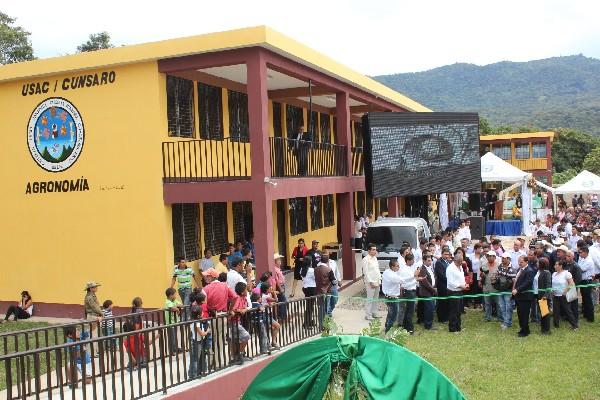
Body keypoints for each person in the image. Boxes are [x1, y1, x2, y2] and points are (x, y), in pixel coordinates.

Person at [512, 255, 536, 337]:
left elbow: (527, 283)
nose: (519, 263)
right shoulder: (520, 269)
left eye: (521, 262)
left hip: (525, 297)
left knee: (524, 314)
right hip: (519, 296)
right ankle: (523, 329)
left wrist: (517, 289)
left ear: (526, 262)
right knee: (520, 314)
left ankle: (525, 331)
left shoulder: (529, 270)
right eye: (519, 261)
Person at [229, 282, 252, 364]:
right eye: (246, 289)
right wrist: (239, 310)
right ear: (242, 292)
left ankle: (236, 356)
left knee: (235, 340)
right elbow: (233, 309)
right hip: (233, 322)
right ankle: (239, 354)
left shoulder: (244, 298)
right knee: (246, 336)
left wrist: (244, 310)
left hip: (237, 322)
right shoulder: (238, 298)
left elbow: (245, 307)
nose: (247, 291)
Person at [552, 261, 578, 330]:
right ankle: (556, 325)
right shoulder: (554, 274)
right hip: (555, 295)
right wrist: (552, 291)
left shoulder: (567, 273)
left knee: (567, 311)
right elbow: (552, 284)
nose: (554, 266)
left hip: (563, 296)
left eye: (556, 264)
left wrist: (565, 291)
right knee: (555, 311)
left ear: (561, 266)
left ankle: (575, 326)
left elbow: (571, 283)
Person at [447, 255, 469, 333]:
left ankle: (458, 327)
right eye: (460, 261)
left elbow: (461, 277)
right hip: (453, 291)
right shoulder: (450, 268)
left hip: (460, 291)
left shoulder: (460, 267)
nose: (461, 262)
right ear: (455, 260)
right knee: (454, 311)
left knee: (459, 310)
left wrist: (465, 284)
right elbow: (450, 282)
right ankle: (452, 329)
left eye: (462, 260)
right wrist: (460, 285)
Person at [188, 303, 211, 379]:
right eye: (202, 312)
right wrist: (207, 331)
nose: (203, 313)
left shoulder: (194, 321)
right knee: (195, 358)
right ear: (198, 315)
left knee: (199, 357)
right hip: (197, 342)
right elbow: (202, 334)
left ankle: (198, 372)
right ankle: (193, 374)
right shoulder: (196, 324)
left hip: (198, 341)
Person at [496, 254, 517, 330]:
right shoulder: (500, 266)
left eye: (504, 258)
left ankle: (507, 323)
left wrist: (512, 292)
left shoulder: (512, 269)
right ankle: (506, 321)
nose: (502, 259)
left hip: (508, 291)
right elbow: (498, 276)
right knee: (502, 306)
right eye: (502, 258)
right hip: (500, 290)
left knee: (508, 307)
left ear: (508, 259)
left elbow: (514, 282)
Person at [480, 251, 501, 322]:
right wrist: (481, 276)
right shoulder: (484, 265)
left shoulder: (499, 265)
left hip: (496, 288)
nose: (489, 257)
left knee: (498, 303)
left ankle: (499, 317)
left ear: (495, 257)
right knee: (487, 303)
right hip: (486, 286)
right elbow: (481, 275)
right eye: (488, 256)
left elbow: (502, 276)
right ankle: (487, 317)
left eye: (491, 256)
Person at [362, 243, 381, 321]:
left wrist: (379, 280)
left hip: (377, 281)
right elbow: (365, 272)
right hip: (370, 282)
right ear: (369, 250)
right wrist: (370, 282)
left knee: (375, 298)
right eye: (373, 249)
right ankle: (368, 315)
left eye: (375, 249)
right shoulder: (365, 259)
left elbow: (377, 270)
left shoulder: (375, 258)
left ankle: (374, 313)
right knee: (370, 299)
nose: (375, 251)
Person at [417, 254, 437, 330]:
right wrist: (433, 289)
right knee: (429, 308)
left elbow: (433, 278)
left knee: (431, 308)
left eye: (431, 260)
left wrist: (434, 287)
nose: (430, 262)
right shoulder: (422, 269)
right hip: (426, 292)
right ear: (424, 261)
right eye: (428, 260)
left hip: (431, 291)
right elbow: (425, 282)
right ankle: (428, 325)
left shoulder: (430, 268)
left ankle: (429, 323)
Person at [315, 254, 336, 324]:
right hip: (327, 291)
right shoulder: (329, 269)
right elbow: (334, 281)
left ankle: (321, 323)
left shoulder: (316, 269)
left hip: (318, 291)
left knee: (320, 307)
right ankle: (325, 324)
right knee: (326, 308)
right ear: (327, 261)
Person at [577, 246, 595, 322]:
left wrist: (576, 267)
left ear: (585, 252)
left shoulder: (589, 261)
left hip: (587, 281)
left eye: (580, 252)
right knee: (584, 298)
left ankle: (590, 318)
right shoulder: (582, 259)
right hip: (583, 281)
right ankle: (585, 314)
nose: (579, 254)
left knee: (588, 299)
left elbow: (580, 269)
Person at [536, 258, 552, 334]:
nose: (537, 264)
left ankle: (546, 330)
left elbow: (548, 285)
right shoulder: (539, 272)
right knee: (542, 313)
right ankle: (543, 328)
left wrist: (545, 295)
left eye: (538, 263)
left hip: (544, 296)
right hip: (539, 295)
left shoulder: (547, 273)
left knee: (545, 313)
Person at [434, 249, 452, 323]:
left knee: (447, 301)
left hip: (447, 285)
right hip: (442, 285)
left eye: (448, 254)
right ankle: (442, 318)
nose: (446, 256)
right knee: (442, 302)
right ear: (441, 254)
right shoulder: (439, 263)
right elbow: (441, 275)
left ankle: (446, 317)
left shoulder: (447, 262)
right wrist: (450, 280)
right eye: (445, 254)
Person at [164, 288, 183, 354]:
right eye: (175, 294)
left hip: (175, 322)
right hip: (170, 323)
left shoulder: (174, 301)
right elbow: (172, 308)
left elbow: (181, 305)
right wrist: (177, 309)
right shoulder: (167, 302)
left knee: (174, 336)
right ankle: (172, 350)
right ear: (171, 295)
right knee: (172, 337)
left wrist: (177, 306)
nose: (176, 296)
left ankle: (175, 348)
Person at [323, 250, 341, 316]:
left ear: (329, 254)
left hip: (333, 284)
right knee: (327, 300)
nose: (325, 255)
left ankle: (330, 310)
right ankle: (328, 314)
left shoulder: (333, 262)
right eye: (324, 254)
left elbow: (337, 272)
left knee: (335, 299)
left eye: (326, 254)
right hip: (326, 285)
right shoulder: (320, 264)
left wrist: (339, 280)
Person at [301, 256, 317, 328]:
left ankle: (309, 321)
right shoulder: (311, 270)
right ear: (310, 262)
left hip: (306, 288)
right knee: (310, 307)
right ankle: (306, 323)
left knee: (309, 306)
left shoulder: (302, 269)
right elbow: (316, 278)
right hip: (312, 289)